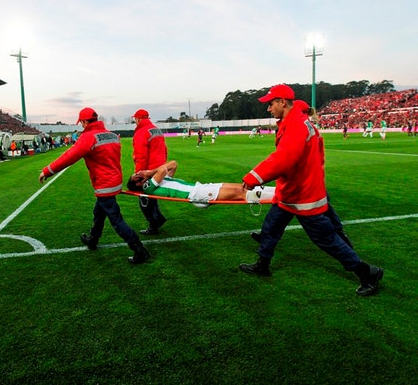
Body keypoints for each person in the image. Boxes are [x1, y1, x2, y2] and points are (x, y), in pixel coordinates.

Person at [238, 85, 383, 296]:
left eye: (270, 104)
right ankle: (263, 264)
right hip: (293, 191)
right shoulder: (298, 122)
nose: (268, 109)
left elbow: (283, 159)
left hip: (301, 195)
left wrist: (254, 177)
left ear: (282, 102)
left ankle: (368, 272)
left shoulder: (296, 125)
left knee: (326, 239)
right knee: (270, 228)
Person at [39, 107, 150, 264]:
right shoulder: (111, 135)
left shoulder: (88, 137)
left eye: (81, 123)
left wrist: (47, 171)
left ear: (85, 122)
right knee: (99, 212)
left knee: (116, 220)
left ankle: (139, 249)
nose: (81, 126)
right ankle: (93, 239)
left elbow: (69, 157)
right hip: (114, 181)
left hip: (104, 184)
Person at [127, 160, 275, 207]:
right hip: (197, 194)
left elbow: (173, 164)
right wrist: (149, 173)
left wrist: (149, 173)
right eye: (138, 177)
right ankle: (277, 197)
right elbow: (163, 169)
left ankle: (276, 192)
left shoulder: (157, 181)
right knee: (240, 194)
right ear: (139, 184)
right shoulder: (148, 187)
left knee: (241, 187)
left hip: (201, 188)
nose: (141, 175)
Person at [131, 108, 168, 235]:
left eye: (135, 119)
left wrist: (138, 174)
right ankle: (158, 219)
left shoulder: (141, 132)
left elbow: (141, 156)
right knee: (151, 196)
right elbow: (165, 149)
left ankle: (154, 223)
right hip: (159, 170)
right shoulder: (156, 129)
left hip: (148, 171)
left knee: (144, 198)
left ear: (138, 119)